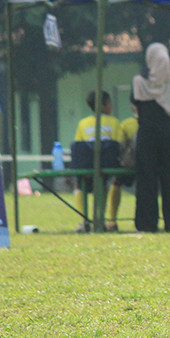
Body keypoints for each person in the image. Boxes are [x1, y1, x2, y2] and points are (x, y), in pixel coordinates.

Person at [132, 42, 170, 232]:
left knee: (146, 179)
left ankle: (146, 223)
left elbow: (135, 102)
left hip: (147, 134)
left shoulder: (139, 82)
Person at [70, 90, 123, 232]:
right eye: (110, 102)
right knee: (108, 182)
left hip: (87, 165)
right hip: (108, 164)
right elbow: (119, 145)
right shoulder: (115, 122)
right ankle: (111, 221)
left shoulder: (83, 123)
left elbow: (78, 146)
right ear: (104, 104)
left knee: (78, 184)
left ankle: (85, 220)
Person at [107, 104, 139, 232]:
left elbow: (120, 145)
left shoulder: (126, 124)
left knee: (117, 181)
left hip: (131, 165)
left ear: (132, 107)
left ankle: (112, 220)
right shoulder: (156, 122)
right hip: (153, 165)